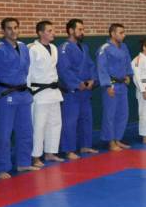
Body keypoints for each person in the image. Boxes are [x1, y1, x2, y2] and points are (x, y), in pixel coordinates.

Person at [0, 18, 36, 179]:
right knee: (4, 134)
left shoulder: (23, 47)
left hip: (23, 94)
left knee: (26, 131)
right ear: (3, 31)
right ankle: (2, 167)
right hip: (5, 95)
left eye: (16, 27)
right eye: (9, 28)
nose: (13, 31)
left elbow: (26, 69)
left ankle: (23, 162)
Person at [58, 19, 98, 160]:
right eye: (80, 29)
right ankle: (69, 150)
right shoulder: (64, 48)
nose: (82, 32)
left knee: (86, 119)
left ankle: (85, 145)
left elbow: (91, 65)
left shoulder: (84, 47)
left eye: (83, 29)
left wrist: (93, 79)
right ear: (71, 30)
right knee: (70, 121)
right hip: (72, 91)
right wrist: (77, 83)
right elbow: (64, 69)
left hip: (86, 89)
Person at [27, 20, 64, 168]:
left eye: (53, 30)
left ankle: (50, 152)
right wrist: (28, 91)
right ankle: (35, 156)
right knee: (38, 126)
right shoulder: (32, 49)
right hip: (39, 93)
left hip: (54, 91)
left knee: (55, 123)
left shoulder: (54, 48)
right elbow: (28, 72)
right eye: (49, 31)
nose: (53, 33)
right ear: (40, 33)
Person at [97, 23, 133, 152]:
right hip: (111, 85)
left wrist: (128, 75)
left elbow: (128, 63)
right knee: (110, 115)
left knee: (123, 113)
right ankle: (111, 141)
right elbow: (102, 68)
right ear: (112, 34)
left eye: (124, 32)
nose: (124, 35)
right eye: (121, 33)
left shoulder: (124, 47)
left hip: (122, 85)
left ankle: (118, 138)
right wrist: (107, 85)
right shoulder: (105, 48)